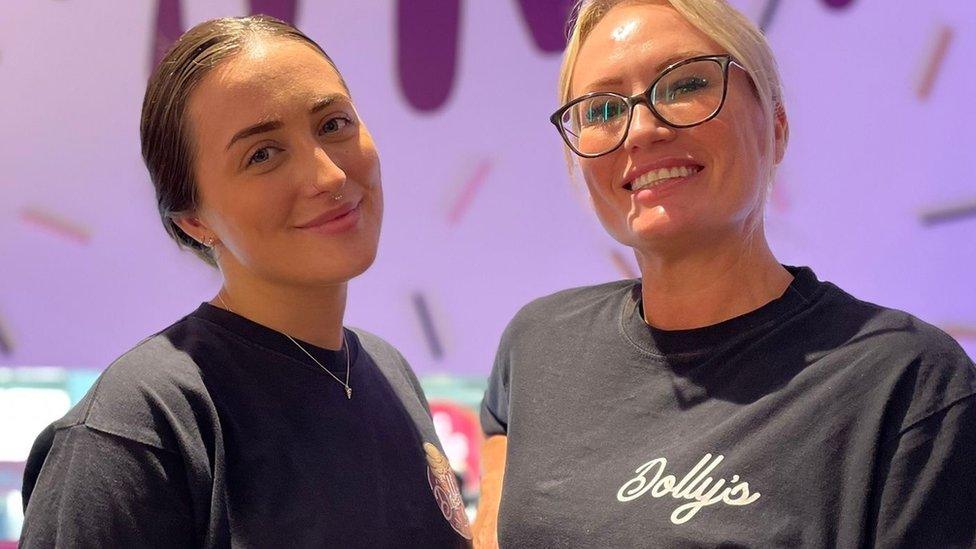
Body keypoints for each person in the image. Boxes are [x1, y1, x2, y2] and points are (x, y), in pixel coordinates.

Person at [473, 1, 976, 547]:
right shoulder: (540, 342)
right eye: (600, 111)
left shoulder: (907, 383)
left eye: (685, 83)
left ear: (776, 126)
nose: (640, 130)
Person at [20, 16, 471, 548]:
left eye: (333, 124)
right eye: (262, 153)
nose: (328, 176)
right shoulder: (139, 426)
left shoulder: (388, 371)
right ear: (194, 220)